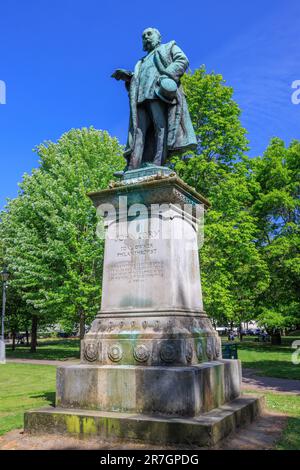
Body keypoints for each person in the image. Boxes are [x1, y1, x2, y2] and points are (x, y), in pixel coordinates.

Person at [112, 27, 197, 174]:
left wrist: (167, 75)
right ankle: (132, 167)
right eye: (143, 36)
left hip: (157, 93)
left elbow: (182, 60)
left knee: (160, 127)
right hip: (140, 97)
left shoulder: (168, 47)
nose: (146, 37)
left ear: (159, 37)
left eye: (149, 34)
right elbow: (138, 79)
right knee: (138, 131)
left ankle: (158, 162)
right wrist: (128, 77)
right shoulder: (141, 62)